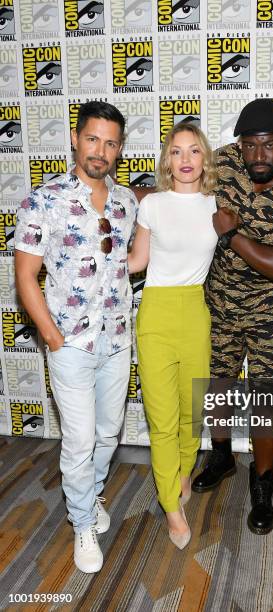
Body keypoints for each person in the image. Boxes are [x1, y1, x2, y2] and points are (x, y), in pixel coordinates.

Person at [191, 98, 273, 535]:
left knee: (266, 401)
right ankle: (221, 455)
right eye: (249, 146)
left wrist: (231, 234)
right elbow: (173, 189)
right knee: (218, 385)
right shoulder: (224, 163)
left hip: (271, 309)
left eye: (267, 145)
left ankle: (263, 482)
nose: (257, 156)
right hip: (219, 302)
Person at [14, 101, 137, 573]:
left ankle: (92, 495)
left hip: (118, 337)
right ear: (74, 138)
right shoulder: (44, 199)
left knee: (108, 433)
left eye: (110, 142)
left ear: (119, 149)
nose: (99, 150)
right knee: (80, 439)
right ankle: (82, 520)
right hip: (70, 343)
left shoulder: (126, 201)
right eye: (92, 139)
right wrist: (51, 334)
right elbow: (25, 275)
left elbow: (129, 262)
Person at [128, 123, 218, 549]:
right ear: (166, 160)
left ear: (204, 159)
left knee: (192, 414)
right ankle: (170, 508)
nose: (185, 159)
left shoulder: (218, 206)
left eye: (194, 151)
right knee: (162, 422)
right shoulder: (153, 206)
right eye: (177, 151)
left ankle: (183, 473)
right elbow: (137, 262)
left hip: (196, 314)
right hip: (156, 316)